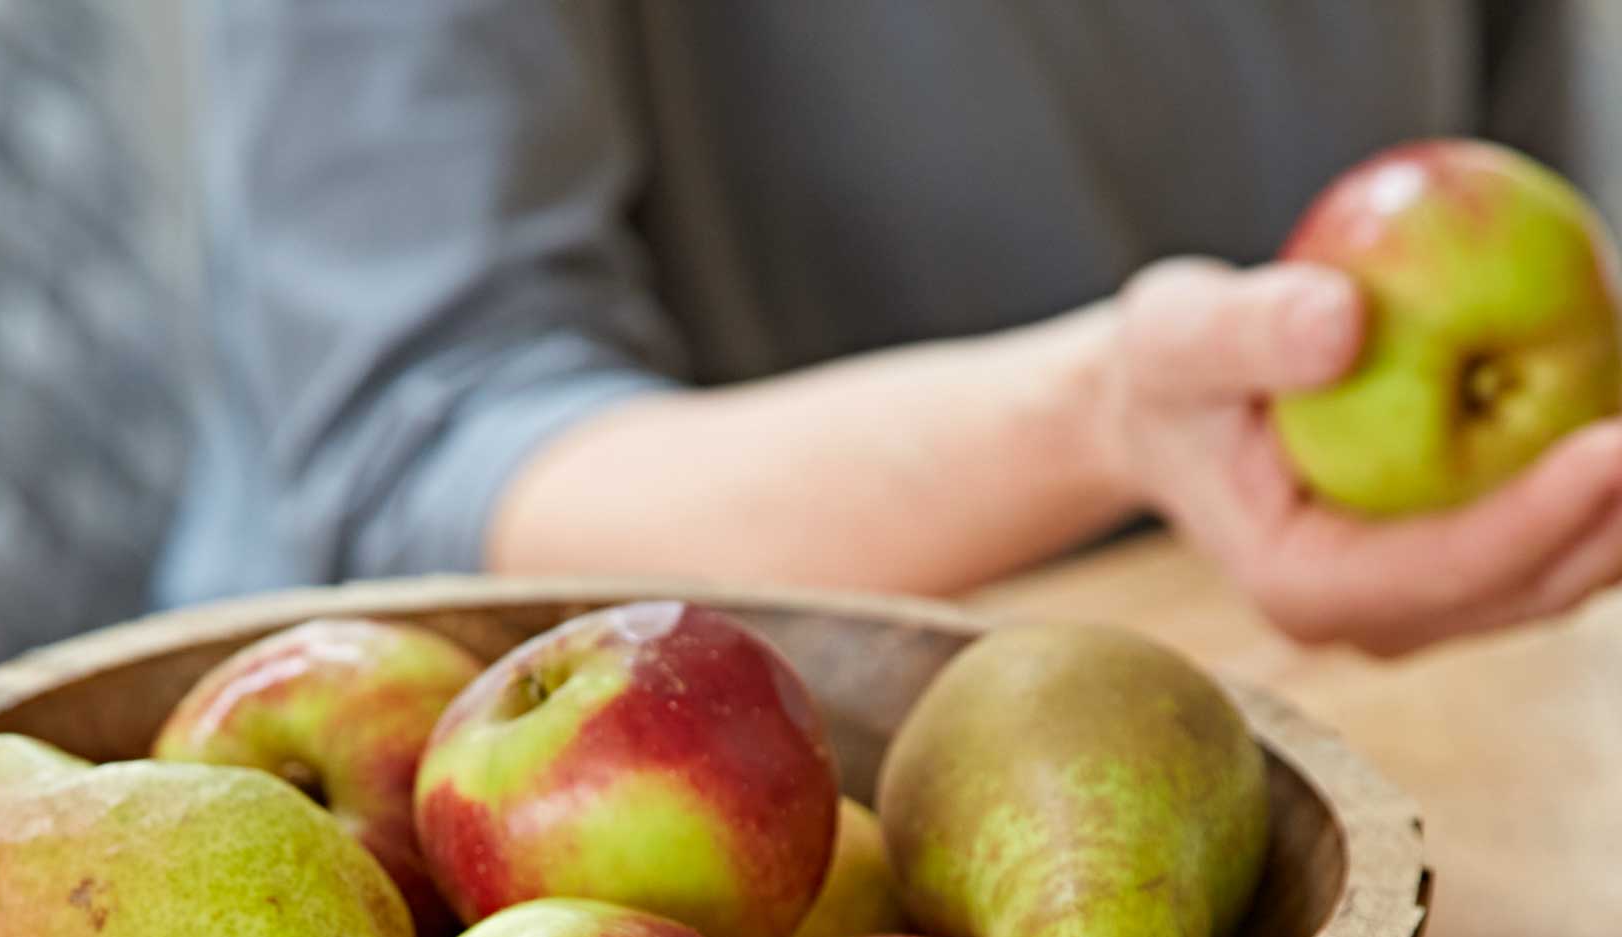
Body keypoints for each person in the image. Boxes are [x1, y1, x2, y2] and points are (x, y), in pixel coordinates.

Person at [158, 0, 1622, 658]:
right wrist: (1107, 420)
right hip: (512, 853)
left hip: (1235, 727)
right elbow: (440, 461)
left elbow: (1529, 203)